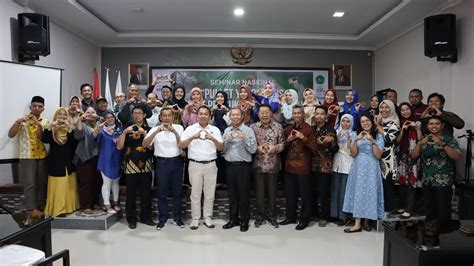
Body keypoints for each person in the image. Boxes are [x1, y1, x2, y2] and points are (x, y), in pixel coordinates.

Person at [179, 106, 224, 230]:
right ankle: (195, 218)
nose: (203, 116)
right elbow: (181, 145)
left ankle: (208, 217)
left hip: (211, 164)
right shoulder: (190, 129)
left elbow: (221, 148)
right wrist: (192, 137)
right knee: (195, 194)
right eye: (201, 113)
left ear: (210, 116)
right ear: (197, 115)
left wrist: (213, 138)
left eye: (205, 114)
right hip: (195, 164)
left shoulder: (214, 129)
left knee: (209, 194)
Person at [412, 116, 461, 224]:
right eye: (431, 124)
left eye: (437, 123)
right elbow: (414, 155)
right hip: (427, 180)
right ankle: (430, 236)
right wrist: (420, 143)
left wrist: (442, 143)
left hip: (443, 181)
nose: (434, 126)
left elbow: (457, 156)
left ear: (442, 125)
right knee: (429, 211)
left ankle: (444, 236)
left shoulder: (449, 139)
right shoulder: (424, 139)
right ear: (427, 126)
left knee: (443, 211)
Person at [143, 107, 185, 230]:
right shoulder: (155, 129)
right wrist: (156, 132)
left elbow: (182, 145)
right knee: (162, 193)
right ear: (161, 117)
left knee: (177, 192)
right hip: (161, 163)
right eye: (164, 116)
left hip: (177, 162)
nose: (166, 118)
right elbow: (145, 144)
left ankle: (178, 218)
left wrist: (175, 132)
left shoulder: (179, 128)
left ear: (173, 117)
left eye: (169, 115)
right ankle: (162, 219)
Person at [8, 96, 49, 217]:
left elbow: (43, 138)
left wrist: (39, 125)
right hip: (27, 155)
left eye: (40, 106)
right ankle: (31, 209)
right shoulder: (22, 120)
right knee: (29, 183)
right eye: (34, 106)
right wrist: (17, 122)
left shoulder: (45, 122)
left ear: (43, 109)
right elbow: (11, 135)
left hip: (41, 155)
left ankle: (41, 205)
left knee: (42, 182)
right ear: (30, 107)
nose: (37, 108)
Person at [343, 114, 385, 233]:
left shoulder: (378, 136)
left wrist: (372, 141)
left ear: (372, 122)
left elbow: (378, 155)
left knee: (369, 192)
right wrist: (355, 140)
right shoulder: (357, 135)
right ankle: (357, 223)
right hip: (358, 167)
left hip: (372, 167)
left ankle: (367, 221)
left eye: (367, 121)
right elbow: (353, 153)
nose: (365, 123)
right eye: (362, 122)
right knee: (359, 192)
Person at [117, 104, 155, 229]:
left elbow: (151, 147)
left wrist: (144, 133)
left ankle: (146, 217)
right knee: (131, 194)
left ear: (144, 115)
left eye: (139, 113)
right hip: (130, 166)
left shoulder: (150, 129)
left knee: (146, 193)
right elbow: (119, 147)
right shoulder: (127, 129)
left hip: (146, 166)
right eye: (135, 113)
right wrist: (124, 133)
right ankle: (131, 219)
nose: (137, 115)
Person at [279, 105, 315, 230]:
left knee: (305, 195)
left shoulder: (309, 129)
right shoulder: (288, 129)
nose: (297, 115)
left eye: (299, 113)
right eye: (294, 113)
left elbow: (314, 148)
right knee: (290, 194)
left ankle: (304, 219)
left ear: (303, 114)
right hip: (289, 167)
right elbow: (283, 149)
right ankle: (290, 217)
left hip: (303, 168)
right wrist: (288, 141)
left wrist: (303, 138)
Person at [222, 108, 257, 232]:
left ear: (242, 117)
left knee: (244, 195)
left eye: (237, 115)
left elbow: (253, 150)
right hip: (230, 166)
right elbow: (223, 150)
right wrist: (227, 141)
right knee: (232, 195)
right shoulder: (227, 131)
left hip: (243, 166)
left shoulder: (248, 130)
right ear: (230, 117)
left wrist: (245, 138)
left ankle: (244, 220)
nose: (235, 117)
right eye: (233, 115)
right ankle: (233, 219)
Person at [250, 104, 285, 228]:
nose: (264, 115)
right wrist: (257, 148)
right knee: (259, 193)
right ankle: (260, 216)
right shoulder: (253, 127)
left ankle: (272, 216)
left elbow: (282, 144)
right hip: (258, 165)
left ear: (271, 113)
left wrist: (274, 148)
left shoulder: (278, 127)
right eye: (262, 113)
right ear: (258, 114)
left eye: (267, 112)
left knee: (272, 193)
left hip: (273, 165)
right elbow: (249, 145)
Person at [42, 107, 80, 217]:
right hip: (56, 163)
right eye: (60, 115)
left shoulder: (70, 129)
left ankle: (70, 207)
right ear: (55, 116)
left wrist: (69, 128)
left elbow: (75, 142)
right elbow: (45, 139)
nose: (62, 117)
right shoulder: (51, 128)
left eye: (64, 115)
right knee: (58, 186)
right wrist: (51, 126)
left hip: (69, 162)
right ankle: (59, 209)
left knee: (69, 185)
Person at [311, 106, 338, 227]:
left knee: (324, 193)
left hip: (325, 167)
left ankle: (324, 216)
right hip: (311, 165)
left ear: (326, 116)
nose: (319, 116)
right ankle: (314, 213)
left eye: (322, 114)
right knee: (312, 191)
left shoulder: (330, 130)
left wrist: (331, 141)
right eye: (317, 114)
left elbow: (335, 149)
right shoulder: (311, 129)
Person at [92, 111, 123, 214]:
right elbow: (93, 138)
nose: (110, 119)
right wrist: (98, 128)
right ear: (105, 119)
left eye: (112, 117)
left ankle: (116, 202)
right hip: (105, 160)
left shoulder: (120, 130)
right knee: (107, 182)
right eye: (108, 117)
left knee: (116, 182)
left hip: (117, 159)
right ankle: (107, 204)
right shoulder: (102, 131)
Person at [396, 102, 423, 219]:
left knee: (411, 183)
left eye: (407, 109)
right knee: (402, 183)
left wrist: (417, 129)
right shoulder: (399, 123)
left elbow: (421, 140)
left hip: (414, 157)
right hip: (402, 157)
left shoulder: (417, 122)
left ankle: (409, 209)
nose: (405, 112)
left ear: (411, 110)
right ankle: (402, 207)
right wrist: (402, 130)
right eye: (402, 110)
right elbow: (397, 141)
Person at [74, 107, 101, 215]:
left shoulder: (100, 124)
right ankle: (86, 205)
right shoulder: (83, 125)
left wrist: (99, 118)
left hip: (97, 157)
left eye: (93, 112)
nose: (90, 114)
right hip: (84, 157)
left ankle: (94, 202)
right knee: (86, 182)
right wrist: (80, 119)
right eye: (88, 112)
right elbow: (78, 135)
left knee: (96, 181)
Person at [375, 100, 401, 214]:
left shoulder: (394, 123)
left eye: (387, 108)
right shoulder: (379, 121)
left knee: (387, 184)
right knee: (378, 183)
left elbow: (389, 139)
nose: (383, 110)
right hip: (376, 156)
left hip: (388, 158)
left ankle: (388, 210)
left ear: (392, 109)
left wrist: (378, 126)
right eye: (382, 107)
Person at [331, 114, 356, 226]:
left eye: (348, 121)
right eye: (343, 121)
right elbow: (332, 148)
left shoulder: (354, 134)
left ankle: (345, 216)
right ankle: (335, 215)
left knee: (344, 192)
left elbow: (352, 153)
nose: (345, 123)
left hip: (348, 164)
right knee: (336, 190)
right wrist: (336, 139)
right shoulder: (336, 132)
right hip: (336, 163)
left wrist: (349, 140)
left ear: (351, 123)